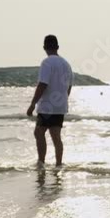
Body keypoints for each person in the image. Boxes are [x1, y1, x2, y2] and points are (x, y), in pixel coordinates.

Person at [27, 35, 73, 166]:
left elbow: (42, 84)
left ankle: (41, 162)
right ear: (57, 47)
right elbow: (68, 87)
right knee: (56, 136)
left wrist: (32, 104)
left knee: (39, 132)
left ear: (44, 47)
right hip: (60, 105)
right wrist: (62, 101)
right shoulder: (66, 64)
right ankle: (58, 164)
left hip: (47, 106)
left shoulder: (46, 63)